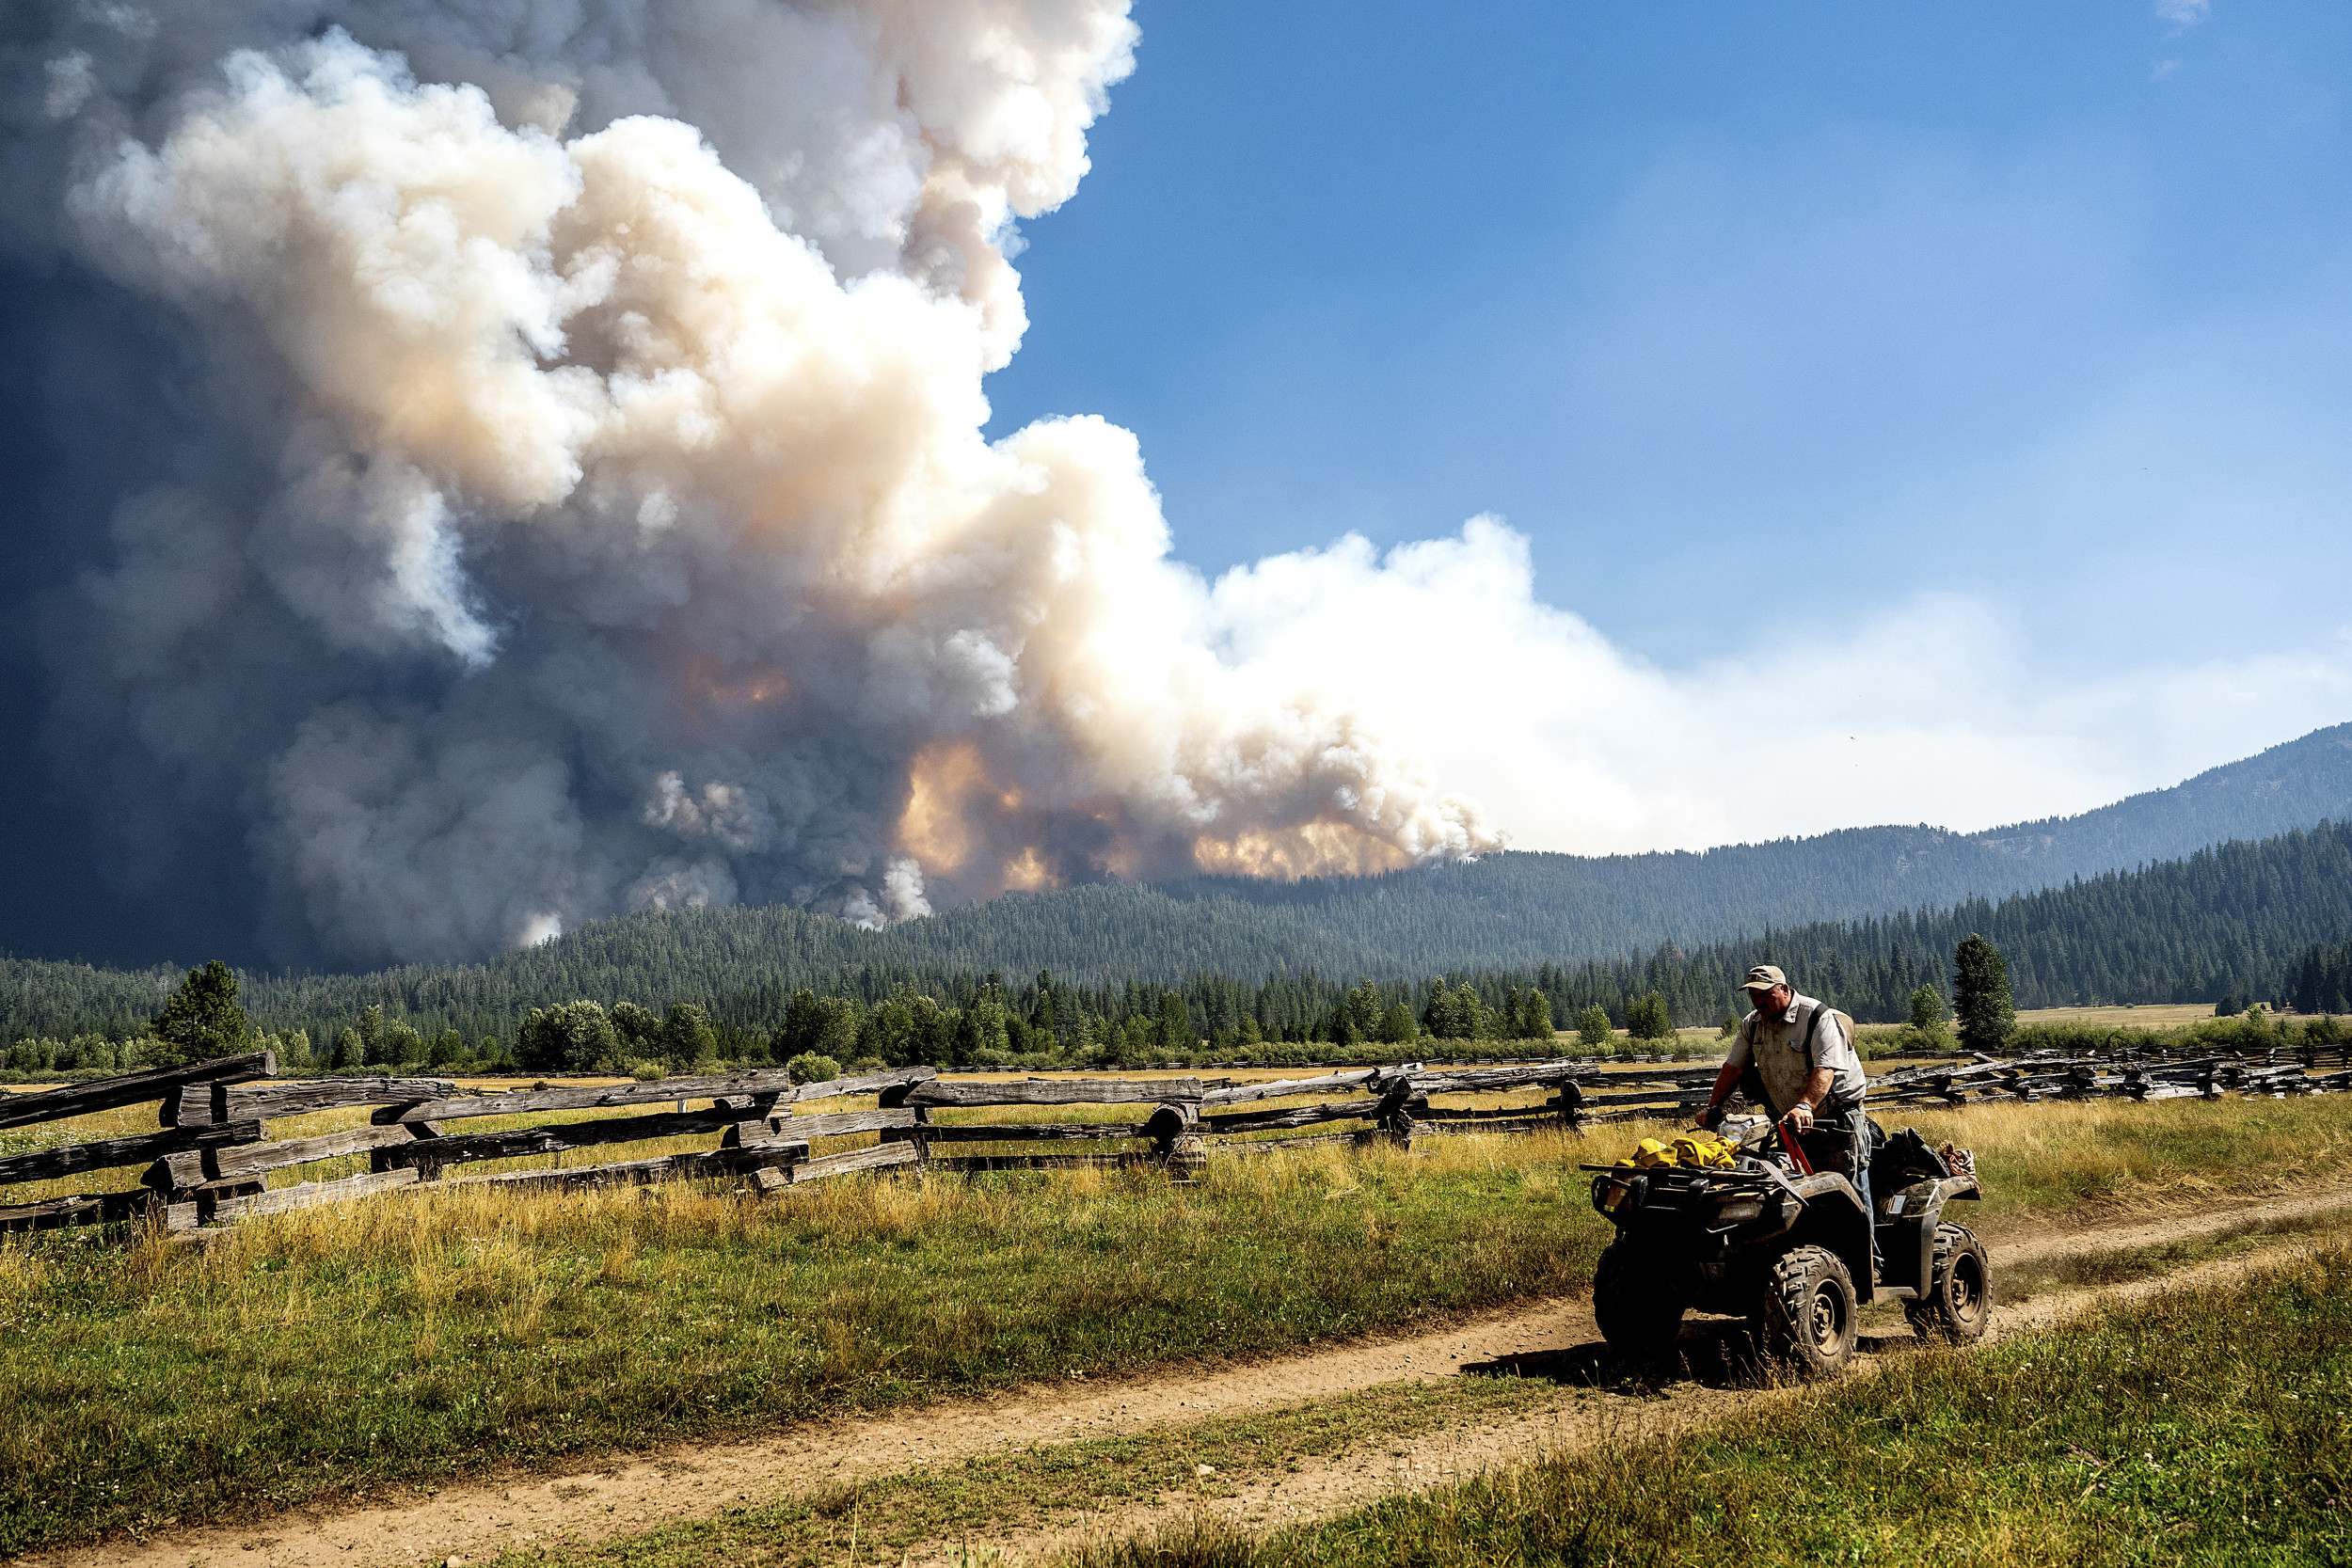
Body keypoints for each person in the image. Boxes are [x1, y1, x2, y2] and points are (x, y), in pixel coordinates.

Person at [1697, 964, 1876, 1263]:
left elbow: (1825, 1070)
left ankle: (1868, 1261)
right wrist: (1713, 1107)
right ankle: (1813, 1259)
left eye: (1764, 994)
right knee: (1796, 1195)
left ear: (1784, 989)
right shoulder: (1753, 1024)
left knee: (1849, 1192)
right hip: (1791, 1125)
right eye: (1753, 994)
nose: (1758, 1000)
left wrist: (1806, 1105)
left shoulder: (1817, 1017)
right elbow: (1733, 1069)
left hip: (1837, 1120)